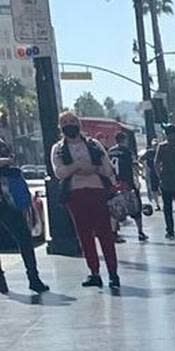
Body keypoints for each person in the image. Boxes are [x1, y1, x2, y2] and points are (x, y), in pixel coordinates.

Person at [51, 111, 120, 288]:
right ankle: (94, 272)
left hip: (97, 192)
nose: (69, 125)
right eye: (65, 122)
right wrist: (77, 166)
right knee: (84, 235)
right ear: (60, 127)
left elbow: (107, 169)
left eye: (72, 121)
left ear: (79, 124)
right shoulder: (58, 149)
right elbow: (60, 173)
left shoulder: (94, 145)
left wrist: (92, 168)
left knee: (105, 233)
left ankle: (113, 273)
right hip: (75, 195)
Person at [0, 139, 48, 294]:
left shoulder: (2, 143)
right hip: (6, 197)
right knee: (23, 238)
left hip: (9, 198)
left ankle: (34, 278)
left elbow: (11, 160)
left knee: (24, 237)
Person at [108, 128, 147, 242]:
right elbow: (134, 166)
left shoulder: (110, 152)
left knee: (116, 209)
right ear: (124, 140)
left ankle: (114, 233)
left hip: (115, 184)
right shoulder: (127, 152)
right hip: (128, 184)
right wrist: (138, 178)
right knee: (136, 208)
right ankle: (140, 232)